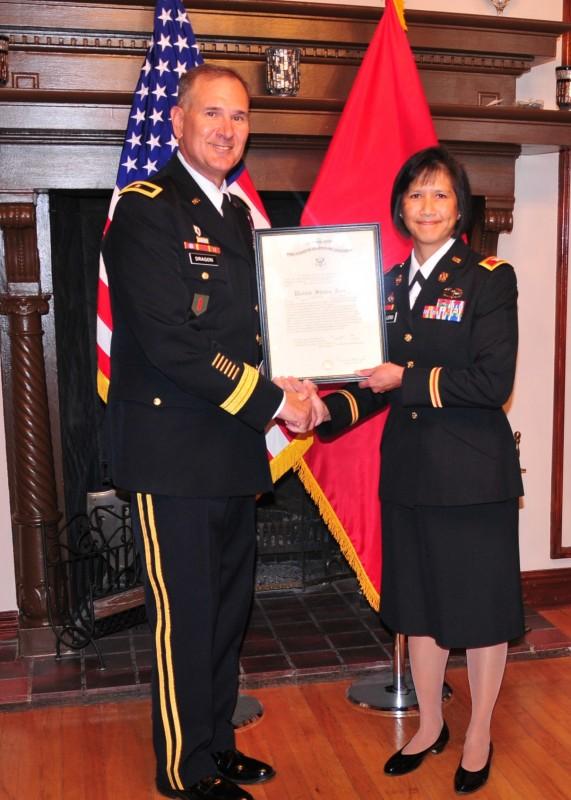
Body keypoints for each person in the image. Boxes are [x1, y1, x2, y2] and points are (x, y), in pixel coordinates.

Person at [102, 64, 311, 800]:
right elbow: (170, 341)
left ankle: (215, 746)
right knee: (185, 615)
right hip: (172, 453)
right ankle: (183, 773)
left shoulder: (239, 219)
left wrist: (303, 377)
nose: (227, 128)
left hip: (229, 445)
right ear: (178, 122)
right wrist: (273, 400)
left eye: (239, 117)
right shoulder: (146, 208)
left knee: (226, 611)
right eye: (212, 113)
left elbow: (260, 328)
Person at [309, 146, 524, 795]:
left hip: (470, 479)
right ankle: (429, 725)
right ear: (399, 208)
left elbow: (490, 381)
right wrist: (322, 409)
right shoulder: (384, 285)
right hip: (406, 472)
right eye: (414, 196)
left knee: (480, 612)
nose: (425, 207)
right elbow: (372, 382)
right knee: (420, 610)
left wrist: (409, 378)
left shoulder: (489, 276)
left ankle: (478, 732)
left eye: (438, 195)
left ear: (459, 206)